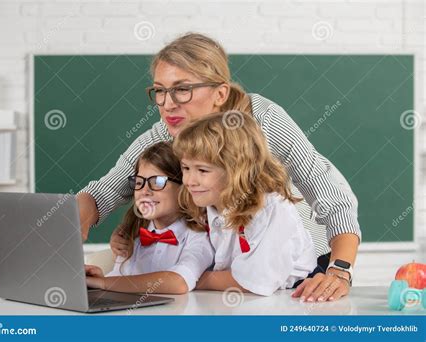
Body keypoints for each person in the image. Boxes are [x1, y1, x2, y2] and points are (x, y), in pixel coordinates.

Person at [77, 32, 361, 302]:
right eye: (160, 91)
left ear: (220, 93)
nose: (167, 104)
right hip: (223, 273)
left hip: (296, 275)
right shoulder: (166, 134)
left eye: (182, 90)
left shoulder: (262, 119)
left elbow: (331, 196)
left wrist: (339, 269)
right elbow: (105, 191)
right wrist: (71, 229)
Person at [173, 111, 317, 296]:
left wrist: (184, 279)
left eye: (202, 170)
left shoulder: (272, 208)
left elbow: (254, 281)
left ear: (236, 169)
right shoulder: (206, 201)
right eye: (186, 168)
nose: (190, 180)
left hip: (290, 297)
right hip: (223, 295)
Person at [85, 142, 214, 294]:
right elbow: (120, 279)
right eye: (139, 182)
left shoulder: (199, 236)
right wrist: (100, 279)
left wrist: (104, 283)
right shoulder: (133, 233)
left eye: (157, 182)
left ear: (184, 187)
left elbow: (180, 282)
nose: (144, 191)